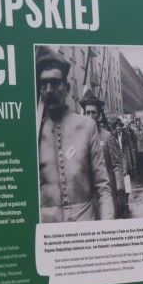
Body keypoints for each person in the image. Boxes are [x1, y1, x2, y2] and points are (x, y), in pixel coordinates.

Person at [36, 45, 114, 222]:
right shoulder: (34, 131)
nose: (48, 89)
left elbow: (102, 187)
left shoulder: (86, 127)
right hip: (50, 235)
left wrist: (107, 225)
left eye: (55, 83)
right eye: (43, 84)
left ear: (68, 88)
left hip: (85, 227)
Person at [80, 91, 127, 218]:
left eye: (93, 112)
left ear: (99, 115)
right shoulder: (79, 138)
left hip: (107, 195)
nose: (90, 116)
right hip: (88, 199)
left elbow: (117, 165)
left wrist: (121, 192)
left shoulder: (107, 137)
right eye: (87, 112)